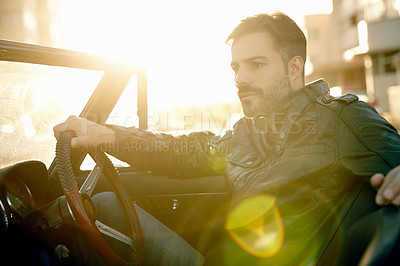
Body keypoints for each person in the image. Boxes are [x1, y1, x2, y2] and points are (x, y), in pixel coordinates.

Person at [54, 11, 400, 265]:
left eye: (256, 64)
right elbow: (182, 151)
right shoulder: (248, 132)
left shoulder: (344, 118)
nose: (241, 78)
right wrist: (105, 134)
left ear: (294, 68)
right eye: (236, 67)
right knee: (100, 208)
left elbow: (396, 158)